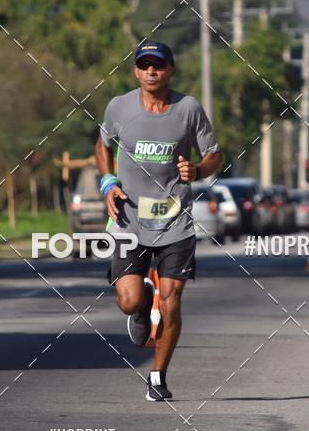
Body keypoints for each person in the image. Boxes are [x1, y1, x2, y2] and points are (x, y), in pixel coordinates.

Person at [95, 40, 223, 401]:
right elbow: (102, 144)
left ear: (170, 70)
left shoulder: (188, 109)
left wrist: (198, 170)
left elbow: (214, 154)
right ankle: (138, 307)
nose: (151, 70)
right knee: (129, 300)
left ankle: (157, 377)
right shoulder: (119, 107)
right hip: (128, 218)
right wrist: (108, 183)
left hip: (175, 221)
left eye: (159, 64)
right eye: (144, 64)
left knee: (172, 302)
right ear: (136, 71)